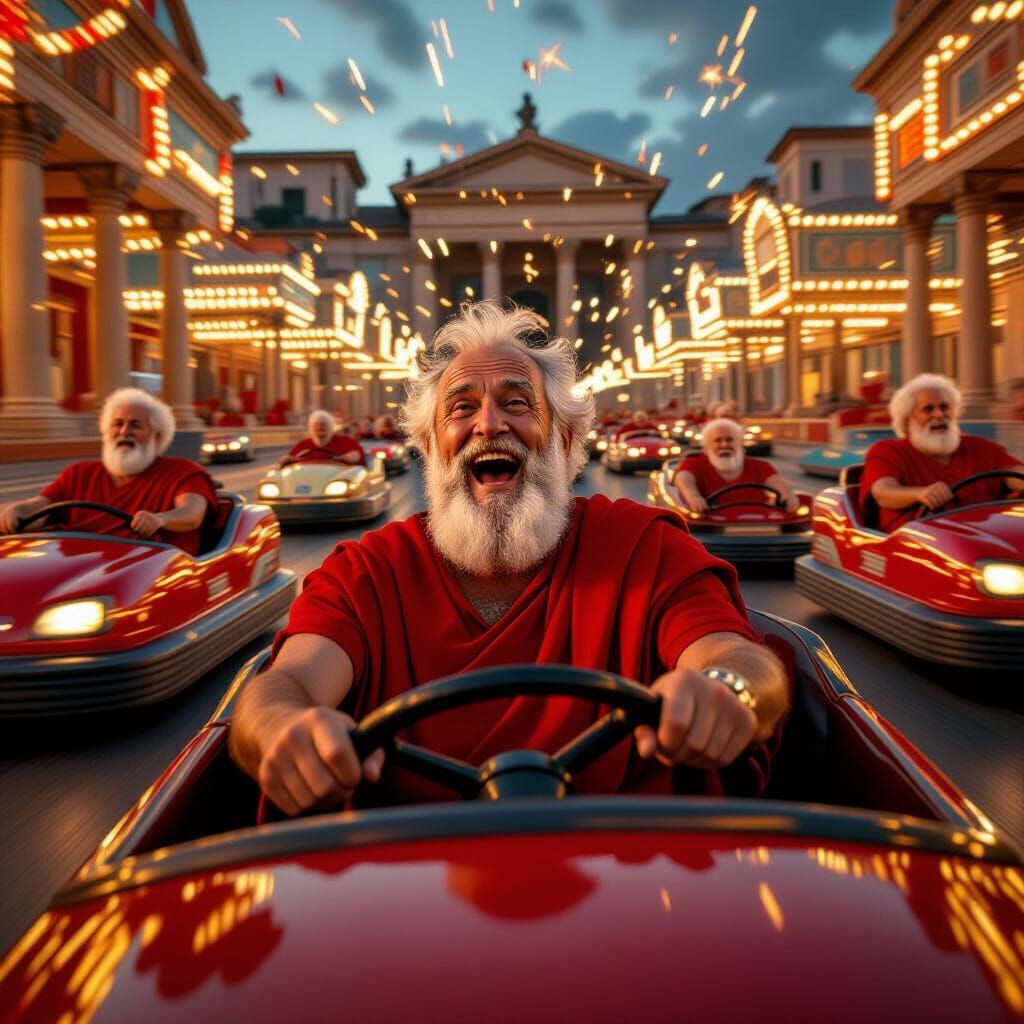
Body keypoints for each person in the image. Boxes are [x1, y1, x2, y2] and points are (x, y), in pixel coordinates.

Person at [229, 300, 790, 817]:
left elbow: (743, 662)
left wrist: (723, 691)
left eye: (517, 403)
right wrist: (285, 726)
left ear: (566, 440)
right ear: (429, 448)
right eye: (462, 408)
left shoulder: (644, 545)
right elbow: (285, 686)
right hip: (403, 887)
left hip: (637, 872)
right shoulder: (366, 571)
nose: (490, 424)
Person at [0, 388, 216, 555]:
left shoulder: (182, 471)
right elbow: (38, 506)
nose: (124, 432)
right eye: (117, 424)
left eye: (135, 425)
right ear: (106, 431)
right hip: (76, 566)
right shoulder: (79, 473)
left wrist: (160, 519)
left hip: (150, 570)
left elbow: (192, 514)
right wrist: (16, 511)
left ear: (157, 435)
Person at [862, 373, 1024, 532]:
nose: (939, 414)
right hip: (914, 545)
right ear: (907, 419)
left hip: (982, 539)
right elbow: (883, 492)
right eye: (928, 409)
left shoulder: (980, 447)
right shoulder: (887, 451)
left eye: (945, 407)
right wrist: (920, 494)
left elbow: (1016, 475)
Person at [674, 418, 799, 514]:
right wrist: (693, 497)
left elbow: (777, 483)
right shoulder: (694, 463)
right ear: (706, 446)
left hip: (756, 525)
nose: (724, 445)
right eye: (718, 440)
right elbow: (683, 478)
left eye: (729, 440)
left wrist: (788, 496)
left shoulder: (760, 466)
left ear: (740, 443)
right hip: (712, 525)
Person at [282, 410, 364, 467]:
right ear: (311, 428)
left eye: (323, 425)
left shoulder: (345, 442)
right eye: (316, 425)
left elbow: (357, 455)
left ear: (330, 427)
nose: (320, 428)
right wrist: (286, 459)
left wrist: (347, 457)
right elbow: (289, 457)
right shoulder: (303, 444)